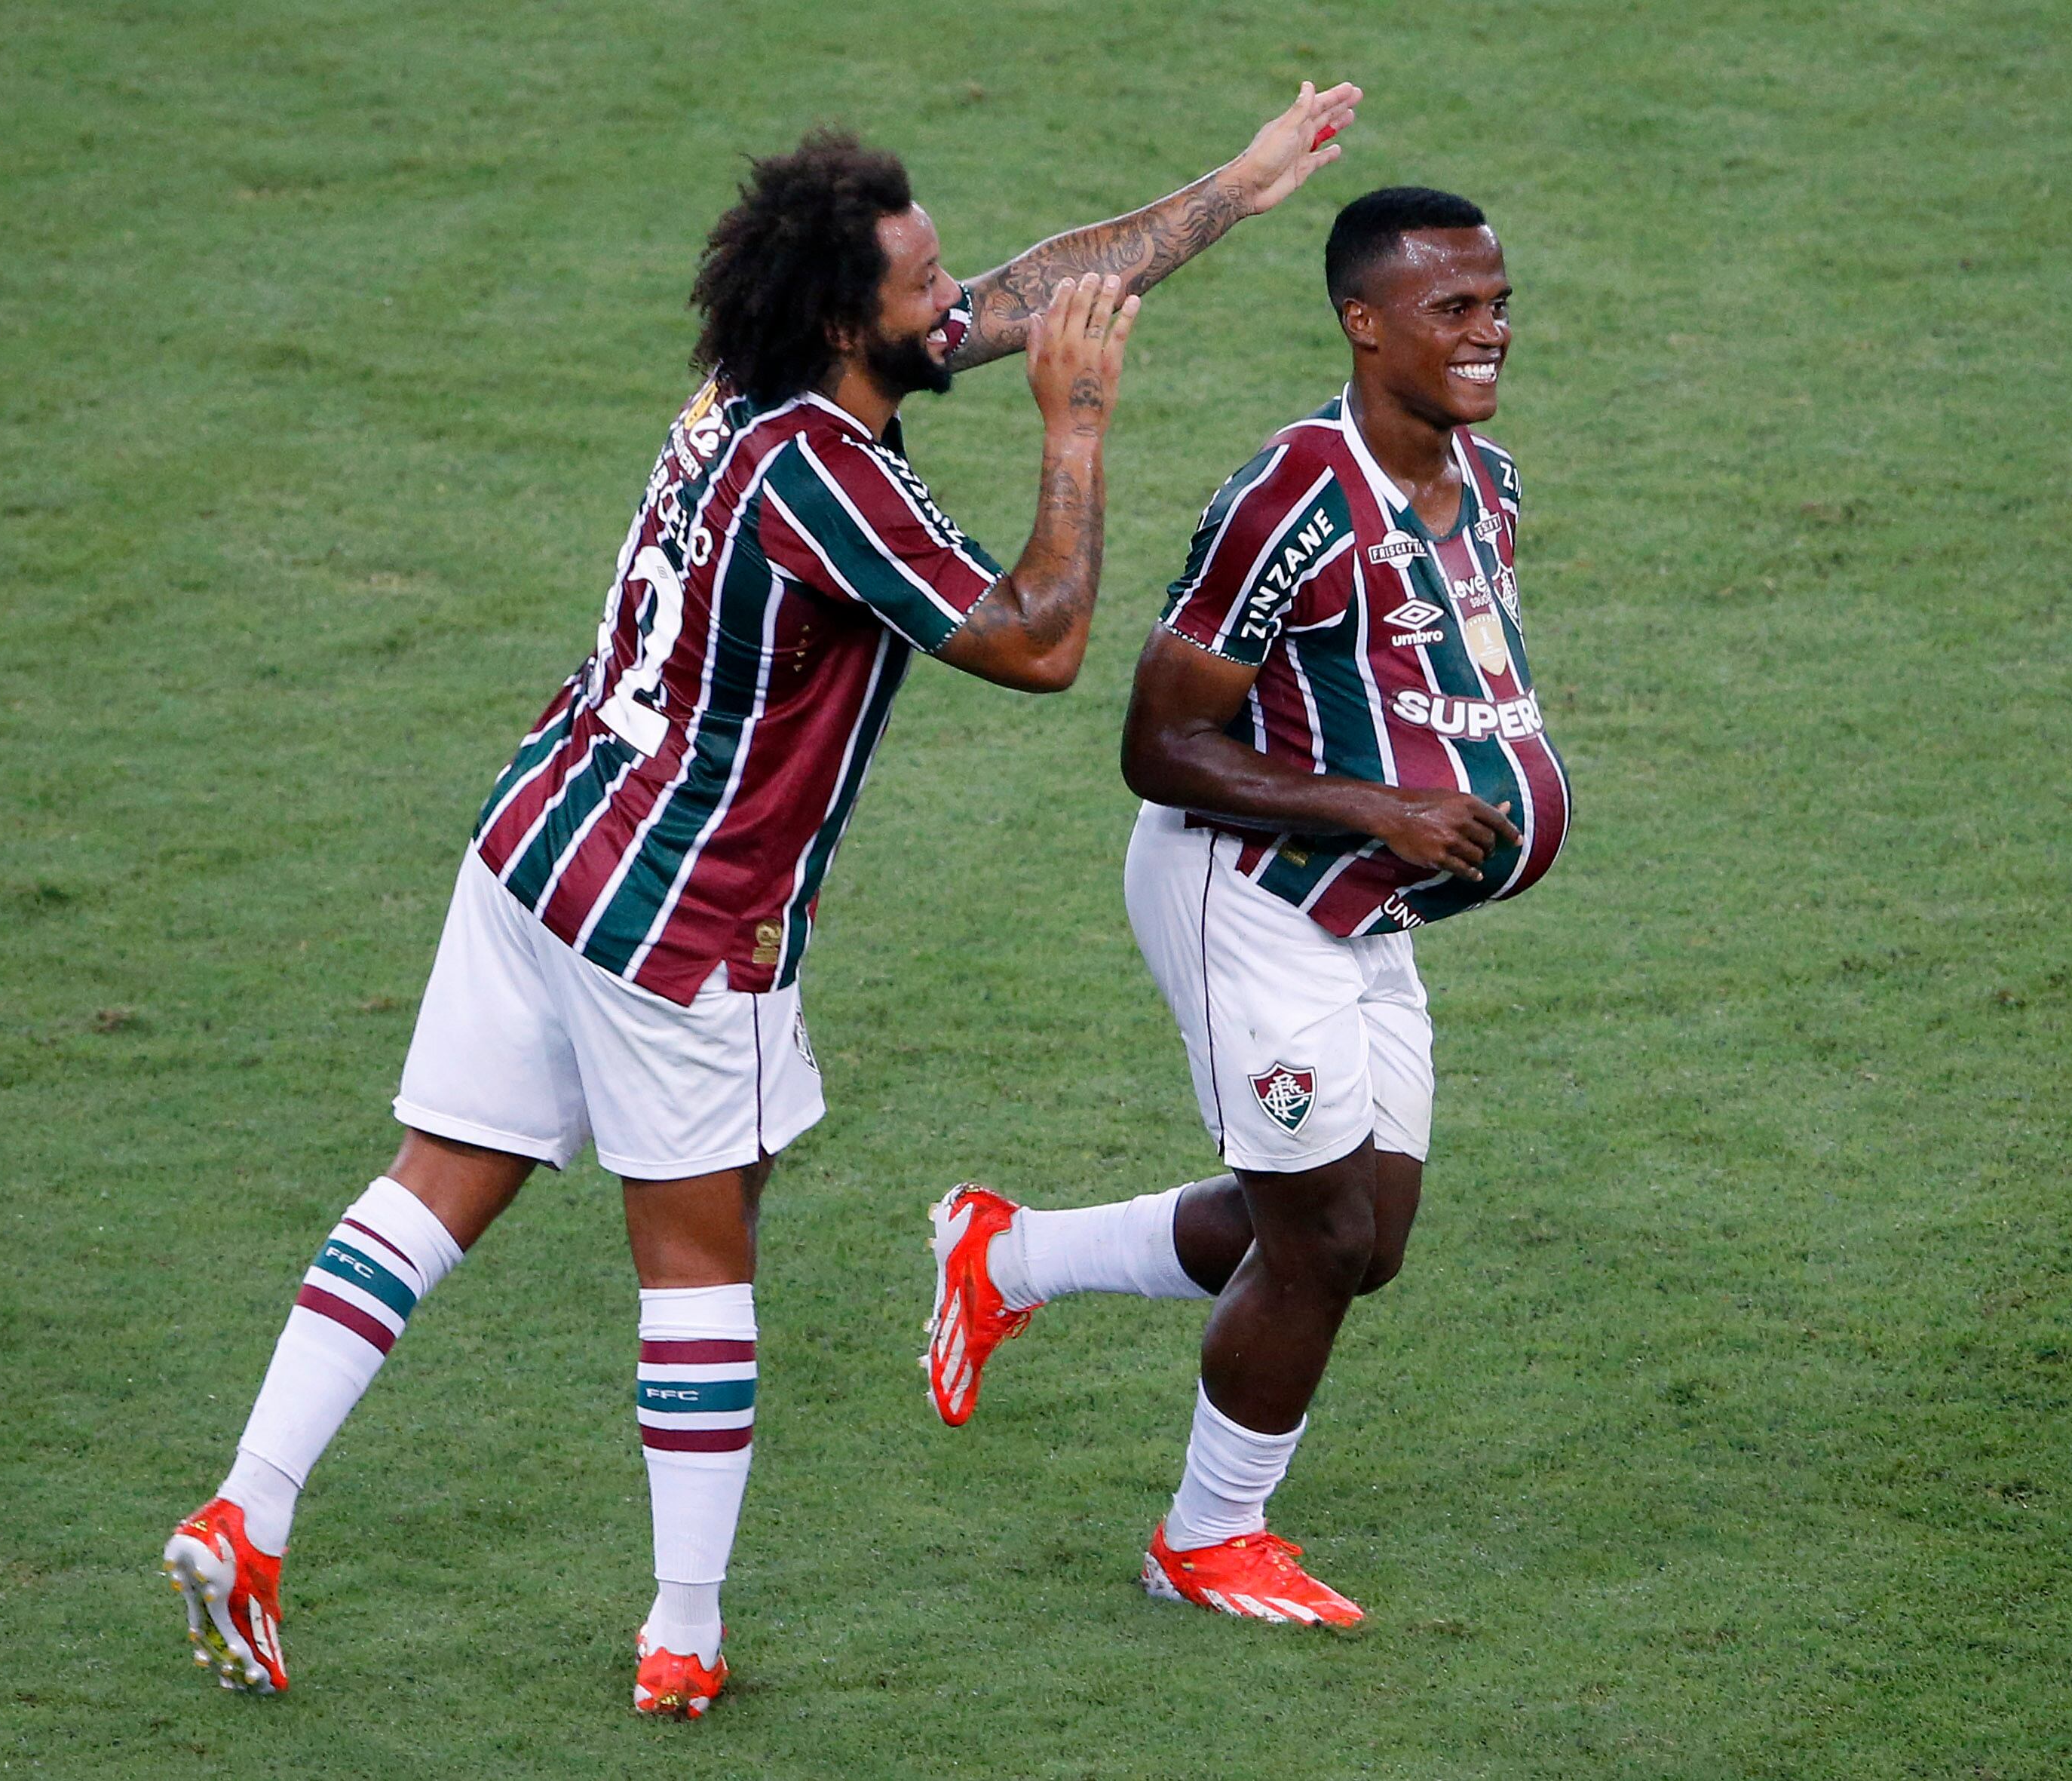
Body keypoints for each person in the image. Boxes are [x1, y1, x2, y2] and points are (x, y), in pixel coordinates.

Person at [161, 82, 1362, 1717]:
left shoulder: (749, 379)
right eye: (919, 283)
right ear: (840, 320)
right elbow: (1039, 642)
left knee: (434, 1181)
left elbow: (1022, 291)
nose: (957, 300)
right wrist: (1073, 432)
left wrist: (1231, 188)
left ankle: (251, 1499)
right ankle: (685, 1630)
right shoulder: (828, 482)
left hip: (539, 846)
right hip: (683, 918)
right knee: (698, 1256)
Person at [926, 186, 1569, 1626]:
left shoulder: (1492, 485)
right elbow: (1159, 745)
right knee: (1322, 1239)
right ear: (1362, 322)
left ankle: (1008, 1254)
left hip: (1366, 908)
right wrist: (1382, 811)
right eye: (1450, 311)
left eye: (1498, 303)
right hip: (1246, 891)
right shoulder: (1290, 494)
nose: (1488, 335)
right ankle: (1207, 1537)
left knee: (1369, 1236)